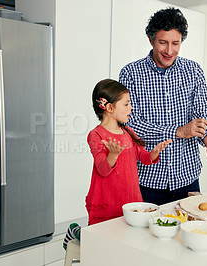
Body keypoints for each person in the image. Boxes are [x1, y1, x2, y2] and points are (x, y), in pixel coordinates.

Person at [119, 7, 207, 206]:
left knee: (189, 234)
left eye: (175, 43)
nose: (169, 51)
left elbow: (202, 114)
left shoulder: (193, 70)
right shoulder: (131, 74)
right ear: (150, 40)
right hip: (147, 179)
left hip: (187, 177)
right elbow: (130, 125)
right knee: (145, 237)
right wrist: (178, 131)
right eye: (163, 42)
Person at [63, 79, 171, 250]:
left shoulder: (128, 132)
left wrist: (154, 153)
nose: (131, 108)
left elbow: (143, 157)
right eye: (126, 104)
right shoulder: (96, 135)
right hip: (106, 202)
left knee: (125, 245)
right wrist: (112, 155)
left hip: (130, 201)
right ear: (110, 108)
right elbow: (102, 170)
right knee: (101, 244)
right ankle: (76, 233)